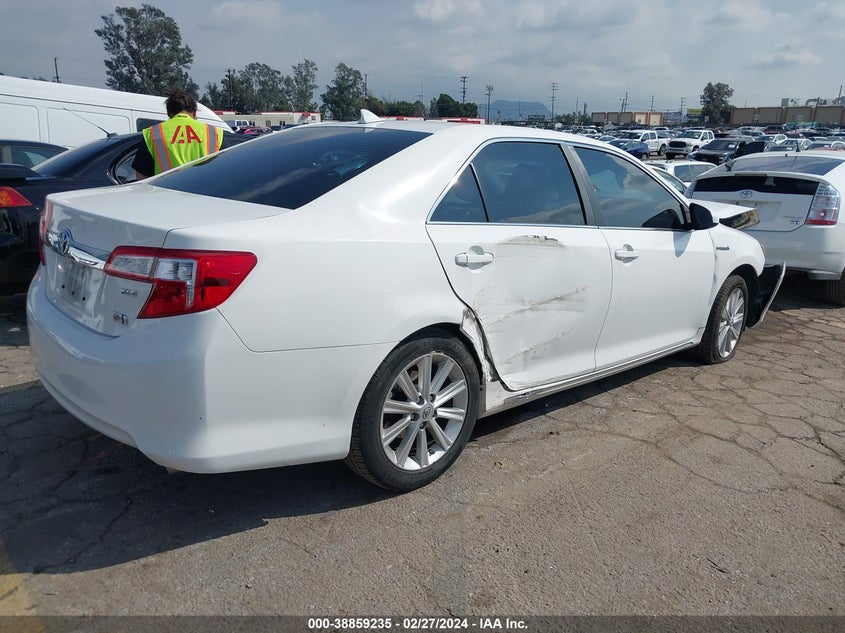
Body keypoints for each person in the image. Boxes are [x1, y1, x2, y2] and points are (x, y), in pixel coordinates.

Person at [133, 88, 224, 180]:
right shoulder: (214, 133)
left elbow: (141, 176)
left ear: (169, 113)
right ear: (194, 112)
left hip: (166, 192)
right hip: (205, 192)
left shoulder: (153, 133)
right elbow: (228, 170)